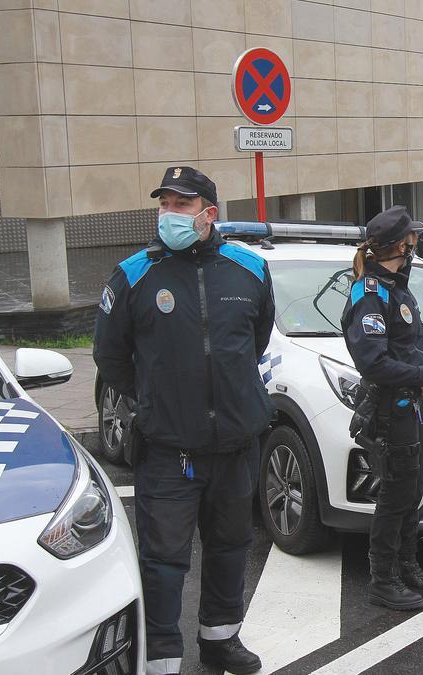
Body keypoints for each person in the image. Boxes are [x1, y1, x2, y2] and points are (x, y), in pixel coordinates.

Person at [94, 166, 274, 675]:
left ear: (209, 214)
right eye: (165, 203)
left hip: (236, 447)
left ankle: (220, 640)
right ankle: (163, 659)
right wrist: (155, 398)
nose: (169, 213)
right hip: (170, 452)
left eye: (182, 204)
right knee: (164, 563)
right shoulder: (134, 274)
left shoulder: (249, 270)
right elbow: (110, 357)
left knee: (230, 549)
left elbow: (256, 339)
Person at [343, 205, 423, 611]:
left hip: (413, 407)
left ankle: (407, 566)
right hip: (392, 409)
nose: (418, 243)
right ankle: (382, 579)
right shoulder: (369, 293)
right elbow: (372, 361)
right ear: (401, 245)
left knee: (413, 489)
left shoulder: (397, 287)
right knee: (395, 496)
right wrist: (419, 374)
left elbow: (417, 333)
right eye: (413, 238)